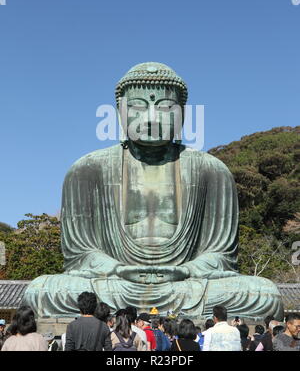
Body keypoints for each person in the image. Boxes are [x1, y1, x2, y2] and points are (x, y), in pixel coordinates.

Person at [22, 62, 284, 321]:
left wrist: (185, 270)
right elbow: (80, 254)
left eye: (166, 108)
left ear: (182, 114)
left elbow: (221, 255)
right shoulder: (87, 170)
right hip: (115, 282)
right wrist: (117, 269)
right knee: (43, 290)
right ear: (119, 113)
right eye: (137, 106)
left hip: (186, 283)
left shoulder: (211, 170)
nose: (150, 118)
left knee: (262, 293)